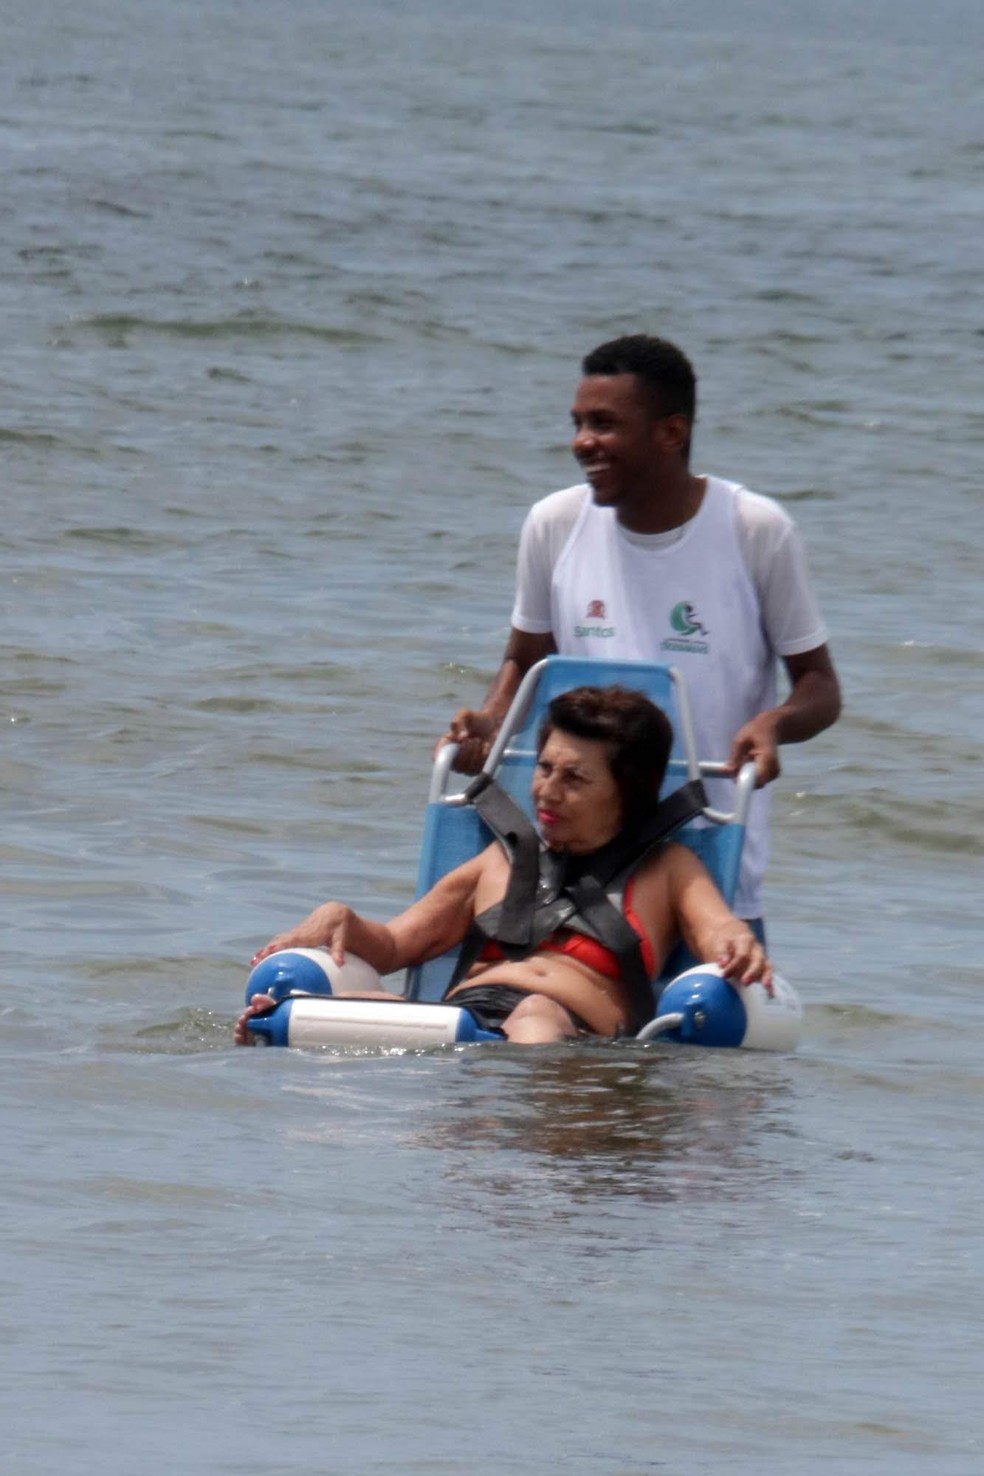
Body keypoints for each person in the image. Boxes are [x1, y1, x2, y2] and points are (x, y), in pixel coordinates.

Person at [439, 334, 841, 931]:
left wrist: (773, 724)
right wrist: (492, 720)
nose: (582, 442)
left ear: (671, 433)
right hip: (570, 849)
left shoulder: (754, 529)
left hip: (706, 848)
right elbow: (524, 660)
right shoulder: (555, 524)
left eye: (604, 424)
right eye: (578, 423)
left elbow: (819, 684)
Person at [236, 686, 771, 1047]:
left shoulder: (668, 869)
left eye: (574, 779)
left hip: (571, 1039)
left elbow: (716, 930)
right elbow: (397, 946)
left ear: (627, 793)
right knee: (310, 1010)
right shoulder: (499, 861)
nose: (546, 791)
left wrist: (735, 942)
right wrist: (343, 919)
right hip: (463, 1022)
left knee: (535, 1014)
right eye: (544, 768)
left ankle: (513, 1157)